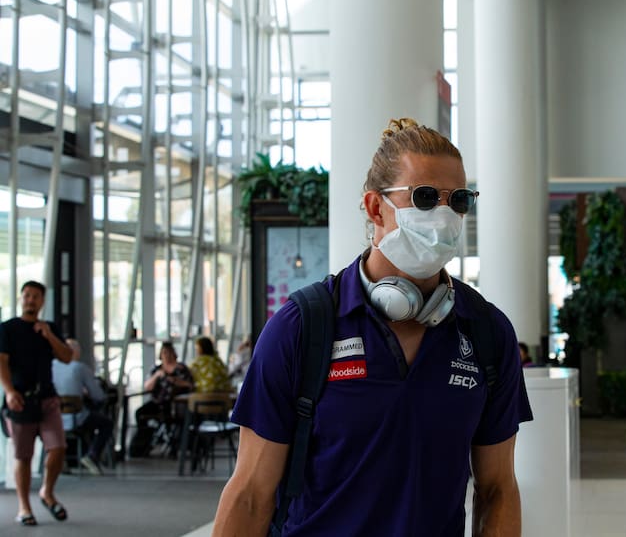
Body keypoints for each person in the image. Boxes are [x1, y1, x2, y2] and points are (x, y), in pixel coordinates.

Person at [213, 118, 533, 536]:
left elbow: (497, 489)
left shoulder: (486, 331)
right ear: (374, 207)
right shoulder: (302, 327)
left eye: (457, 200)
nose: (443, 214)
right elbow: (252, 493)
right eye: (422, 198)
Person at [0, 281, 73, 526]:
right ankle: (24, 507)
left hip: (48, 398)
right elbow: (1, 362)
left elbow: (66, 357)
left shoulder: (49, 328)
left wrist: (49, 335)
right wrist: (9, 391)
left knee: (58, 447)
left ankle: (47, 492)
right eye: (27, 296)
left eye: (36, 297)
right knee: (24, 456)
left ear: (42, 301)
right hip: (20, 399)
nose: (31, 300)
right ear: (21, 298)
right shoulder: (7, 329)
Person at [51, 338, 114, 475]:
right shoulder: (79, 368)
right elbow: (98, 395)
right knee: (106, 423)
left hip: (54, 417)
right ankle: (92, 454)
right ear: (75, 352)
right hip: (76, 417)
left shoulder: (52, 366)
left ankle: (61, 461)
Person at [129, 341, 193, 457]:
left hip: (175, 404)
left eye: (169, 352)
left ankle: (175, 445)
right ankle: (143, 443)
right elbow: (147, 386)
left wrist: (175, 381)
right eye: (164, 353)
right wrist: (157, 376)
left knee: (177, 418)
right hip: (158, 402)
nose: (167, 355)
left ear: (174, 353)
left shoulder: (181, 369)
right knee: (140, 413)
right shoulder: (157, 369)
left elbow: (190, 385)